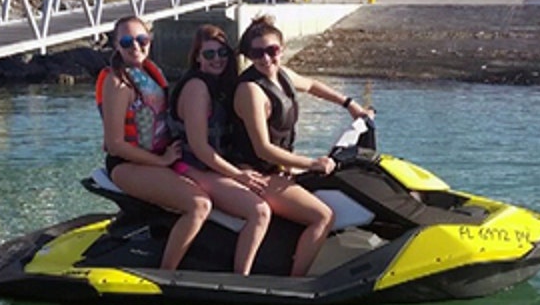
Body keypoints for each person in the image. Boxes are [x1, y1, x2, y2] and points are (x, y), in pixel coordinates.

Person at [229, 16, 375, 277]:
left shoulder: (282, 75)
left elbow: (313, 86)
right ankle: (296, 281)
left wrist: (350, 105)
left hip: (281, 167)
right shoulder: (251, 90)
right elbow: (262, 148)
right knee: (323, 216)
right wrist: (312, 164)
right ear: (249, 56)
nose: (266, 58)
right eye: (257, 53)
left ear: (281, 49)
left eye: (271, 50)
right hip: (258, 173)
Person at [96, 15, 211, 271]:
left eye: (141, 39)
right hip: (127, 165)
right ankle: (167, 273)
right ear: (115, 45)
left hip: (161, 158)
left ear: (150, 39)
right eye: (126, 41)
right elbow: (115, 144)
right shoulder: (118, 83)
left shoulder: (147, 73)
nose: (135, 46)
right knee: (198, 205)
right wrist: (162, 161)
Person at [168, 24, 273, 275]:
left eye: (222, 53)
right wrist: (239, 176)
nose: (218, 59)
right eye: (209, 54)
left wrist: (350, 105)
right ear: (197, 58)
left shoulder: (222, 86)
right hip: (192, 167)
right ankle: (240, 280)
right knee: (258, 211)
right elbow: (199, 147)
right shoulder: (197, 88)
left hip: (213, 166)